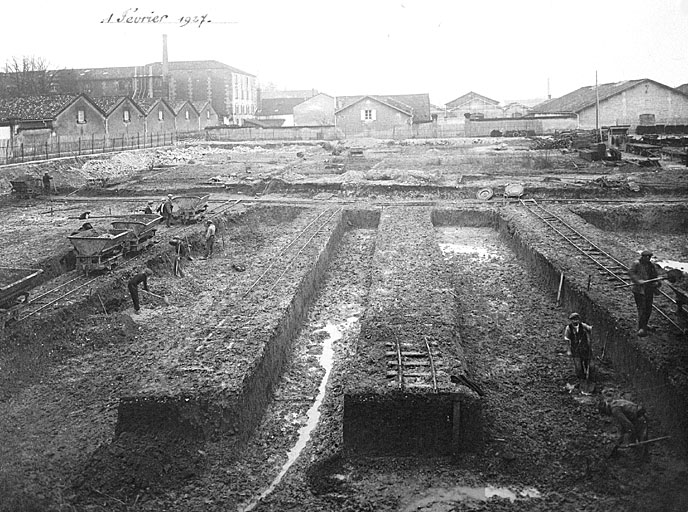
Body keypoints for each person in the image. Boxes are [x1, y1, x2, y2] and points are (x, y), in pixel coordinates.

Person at [628, 250, 663, 337]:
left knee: (648, 309)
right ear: (642, 256)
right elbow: (631, 273)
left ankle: (645, 325)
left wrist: (657, 282)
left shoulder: (651, 265)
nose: (647, 258)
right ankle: (641, 328)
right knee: (642, 309)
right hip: (639, 290)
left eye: (649, 257)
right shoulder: (636, 264)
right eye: (646, 257)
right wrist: (638, 280)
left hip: (649, 290)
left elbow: (655, 275)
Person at [564, 312, 593, 379]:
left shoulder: (583, 326)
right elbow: (567, 340)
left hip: (585, 349)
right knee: (578, 367)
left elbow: (591, 330)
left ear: (579, 320)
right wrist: (569, 350)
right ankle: (581, 380)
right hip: (576, 350)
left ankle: (589, 379)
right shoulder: (568, 328)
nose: (575, 321)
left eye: (576, 319)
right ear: (571, 320)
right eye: (573, 320)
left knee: (588, 365)